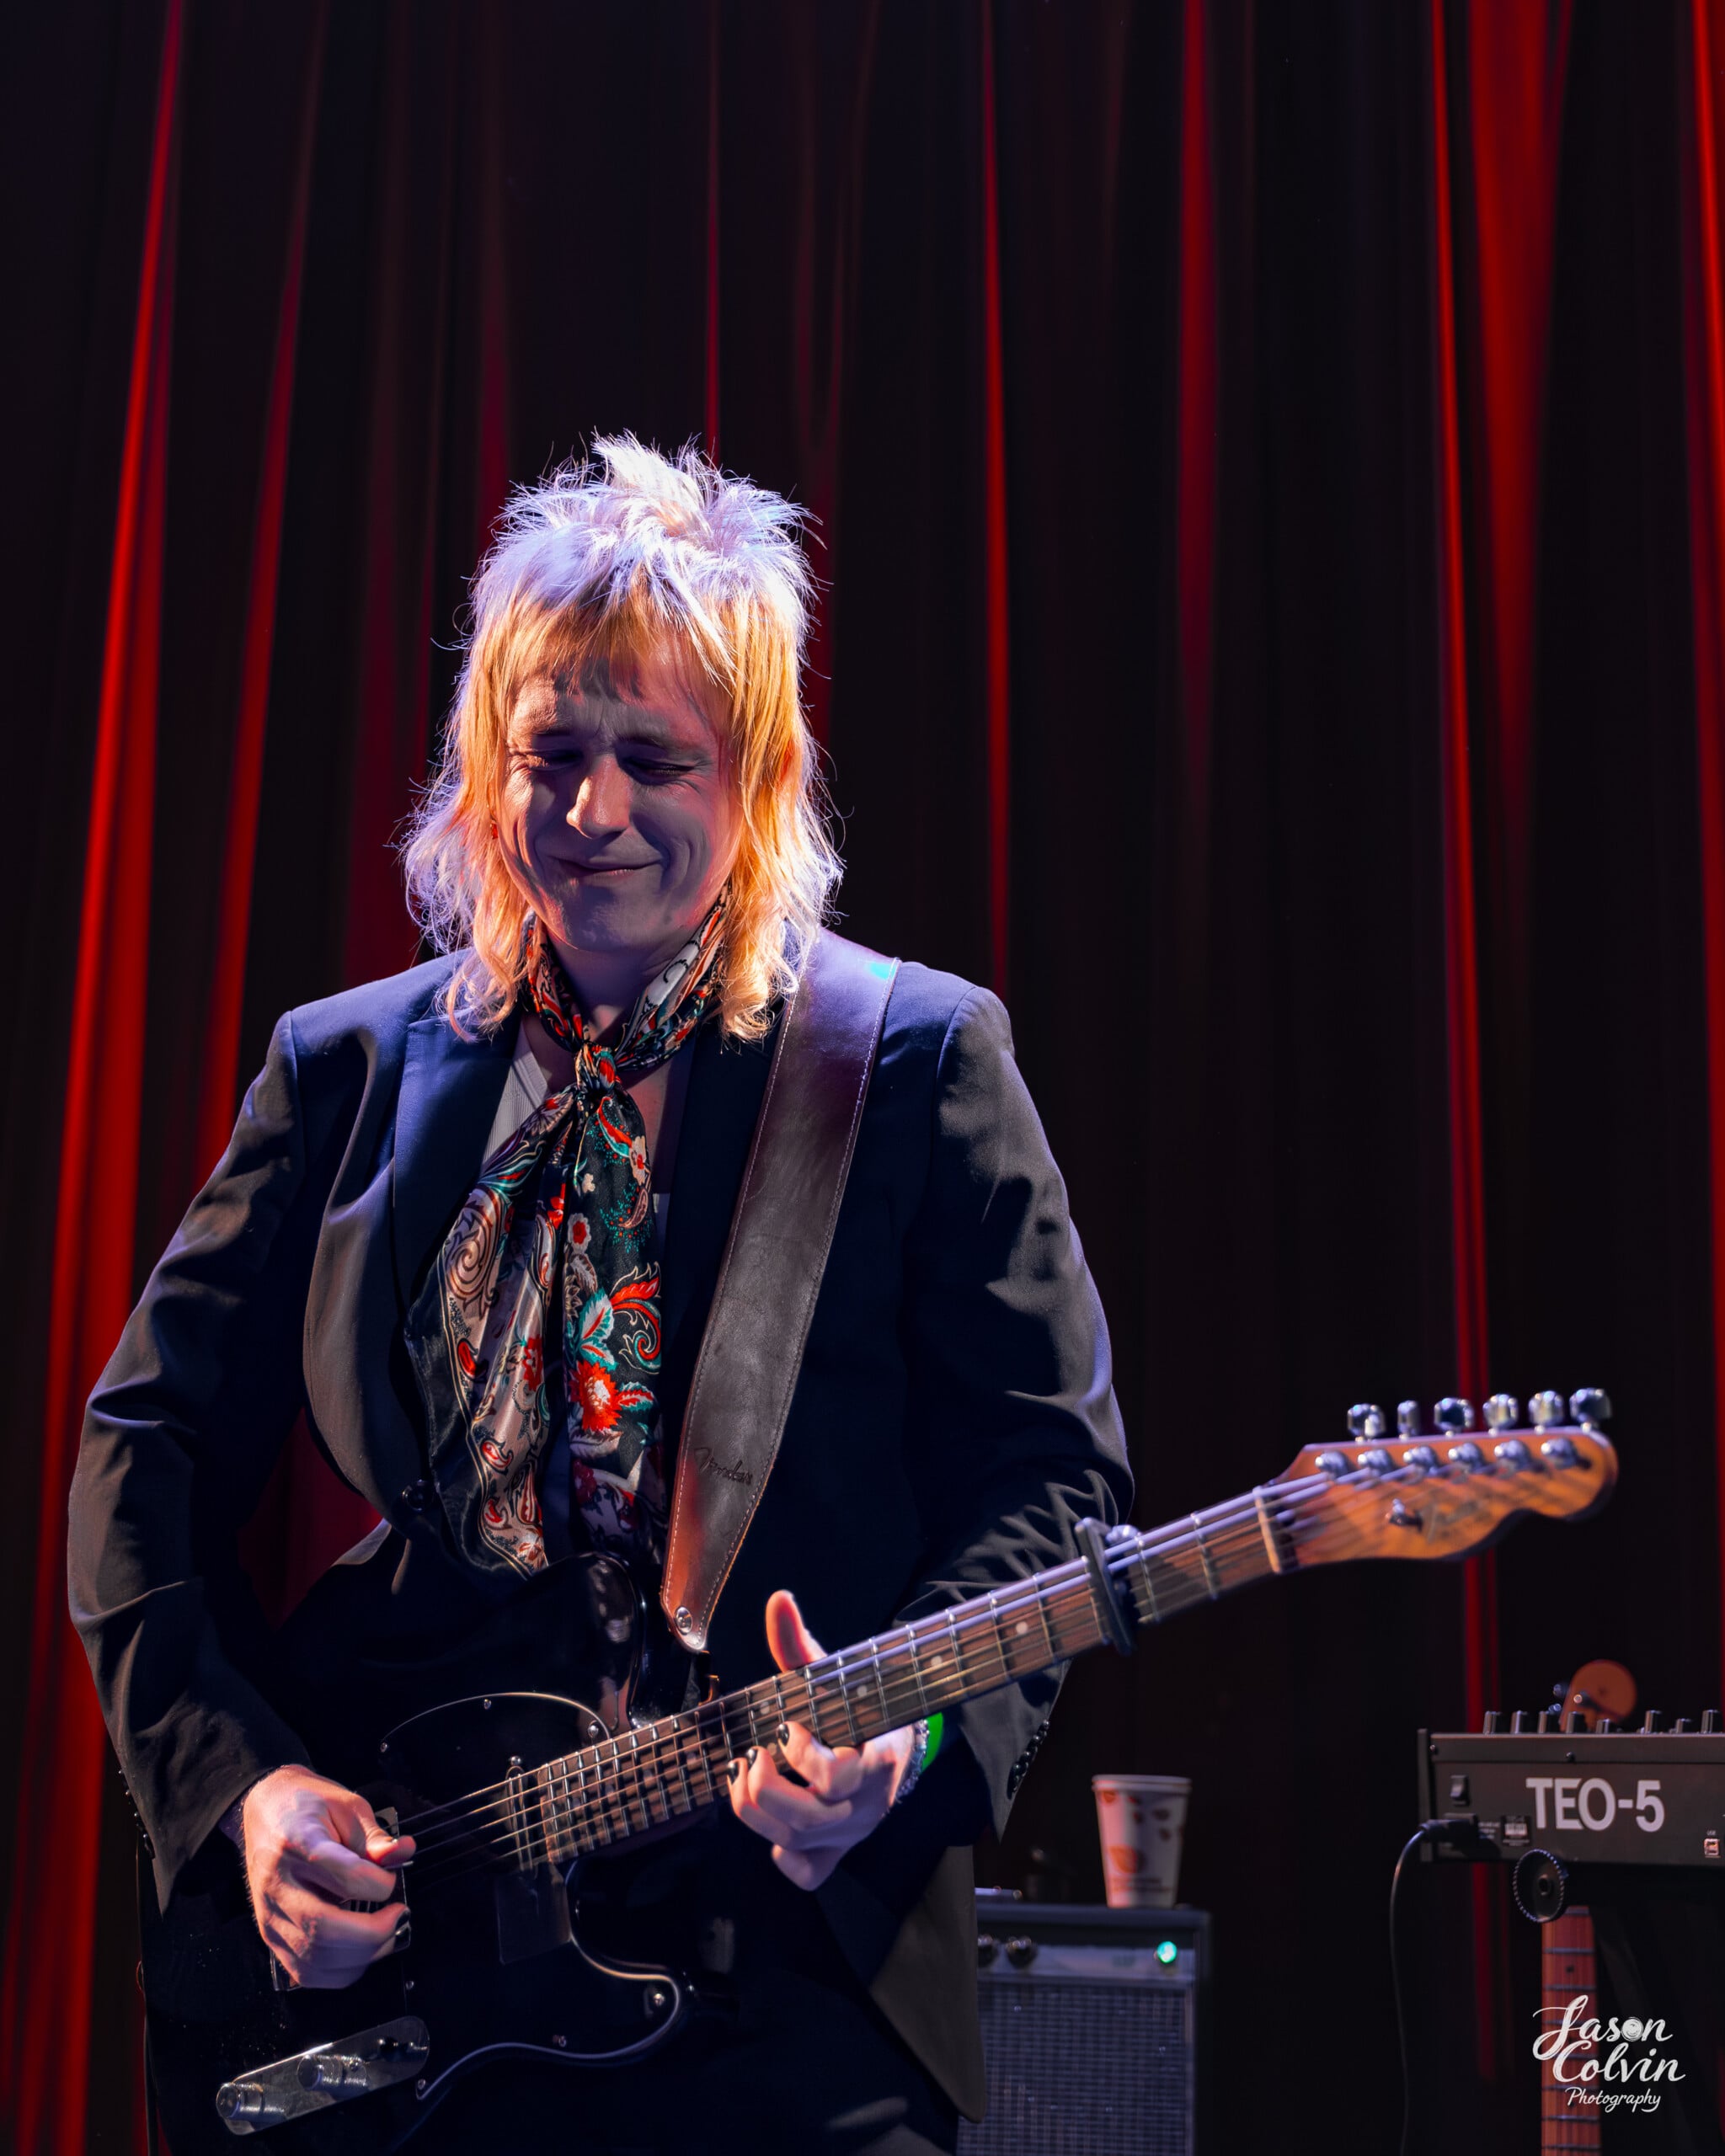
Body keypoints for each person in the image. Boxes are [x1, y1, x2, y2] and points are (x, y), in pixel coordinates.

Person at [68, 437, 1132, 2154]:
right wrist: (247, 1788)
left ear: (759, 774)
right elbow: (146, 1453)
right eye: (550, 756)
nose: (594, 811)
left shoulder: (912, 1061)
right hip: (416, 1968)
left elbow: (1053, 1483)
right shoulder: (346, 1071)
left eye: (655, 758)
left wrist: (907, 1735)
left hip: (792, 1970)